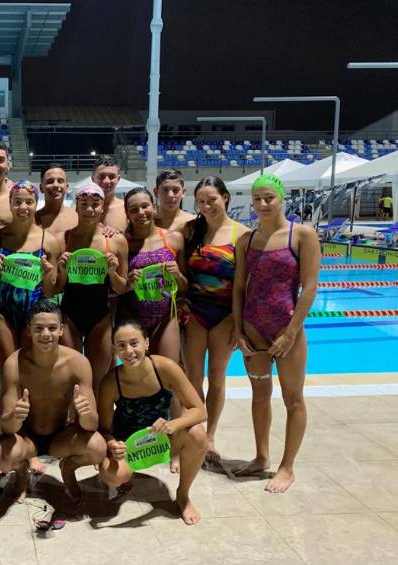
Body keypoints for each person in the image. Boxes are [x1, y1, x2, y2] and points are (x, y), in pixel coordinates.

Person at [232, 173, 320, 493]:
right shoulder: (247, 240)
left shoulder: (302, 236)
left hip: (287, 328)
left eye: (269, 197)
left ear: (281, 198)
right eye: (257, 198)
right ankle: (261, 457)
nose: (262, 204)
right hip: (254, 329)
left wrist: (291, 332)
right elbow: (240, 287)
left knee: (293, 399)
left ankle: (287, 466)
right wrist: (239, 330)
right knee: (259, 396)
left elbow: (310, 288)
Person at [0, 299, 107, 503]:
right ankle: (21, 474)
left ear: (62, 330)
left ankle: (68, 468)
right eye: (39, 328)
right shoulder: (14, 363)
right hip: (27, 438)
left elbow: (92, 425)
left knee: (98, 447)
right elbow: (7, 427)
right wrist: (15, 415)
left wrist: (86, 413)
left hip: (60, 437)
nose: (45, 334)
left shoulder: (78, 363)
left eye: (52, 328)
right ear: (29, 330)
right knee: (3, 457)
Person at [97, 321, 207, 525]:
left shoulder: (165, 368)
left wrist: (174, 425)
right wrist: (113, 444)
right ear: (115, 350)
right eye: (121, 345)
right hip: (130, 447)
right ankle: (127, 476)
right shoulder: (111, 382)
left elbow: (200, 411)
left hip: (163, 441)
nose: (128, 351)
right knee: (112, 476)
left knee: (198, 434)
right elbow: (103, 430)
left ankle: (183, 496)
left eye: (134, 343)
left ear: (146, 343)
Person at [183, 176, 249, 462]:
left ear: (225, 198)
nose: (207, 205)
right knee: (193, 378)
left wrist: (238, 321)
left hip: (225, 315)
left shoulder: (242, 234)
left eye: (212, 199)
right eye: (201, 201)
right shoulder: (192, 231)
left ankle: (210, 436)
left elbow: (244, 284)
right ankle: (195, 431)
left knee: (218, 379)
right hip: (195, 313)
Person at [57, 183, 129, 390]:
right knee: (71, 379)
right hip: (69, 315)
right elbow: (56, 288)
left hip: (101, 316)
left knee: (97, 380)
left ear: (102, 207)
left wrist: (112, 272)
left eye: (95, 205)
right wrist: (61, 270)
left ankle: (96, 422)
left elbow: (122, 288)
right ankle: (73, 421)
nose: (89, 210)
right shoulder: (64, 239)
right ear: (76, 207)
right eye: (84, 204)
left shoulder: (116, 241)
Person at [0, 180, 60, 369]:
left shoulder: (49, 242)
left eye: (29, 202)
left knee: (30, 373)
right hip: (1, 312)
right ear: (10, 204)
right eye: (17, 201)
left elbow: (50, 293)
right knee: (7, 372)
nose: (23, 207)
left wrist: (46, 275)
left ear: (37, 204)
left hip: (35, 315)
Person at [117, 187, 187, 361]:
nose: (141, 212)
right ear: (127, 214)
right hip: (131, 319)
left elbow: (185, 287)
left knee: (167, 372)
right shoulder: (122, 243)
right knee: (138, 379)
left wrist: (178, 275)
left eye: (144, 206)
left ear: (154, 207)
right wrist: (128, 284)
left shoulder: (174, 239)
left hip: (165, 318)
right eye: (134, 210)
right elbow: (116, 288)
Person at [35, 163, 78, 237]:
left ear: (67, 187)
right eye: (50, 181)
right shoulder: (33, 220)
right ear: (41, 188)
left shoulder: (78, 218)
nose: (55, 185)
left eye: (60, 181)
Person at [90, 155, 129, 231]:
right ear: (92, 179)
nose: (106, 181)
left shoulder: (126, 208)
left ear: (118, 179)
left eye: (112, 176)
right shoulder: (79, 209)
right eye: (101, 176)